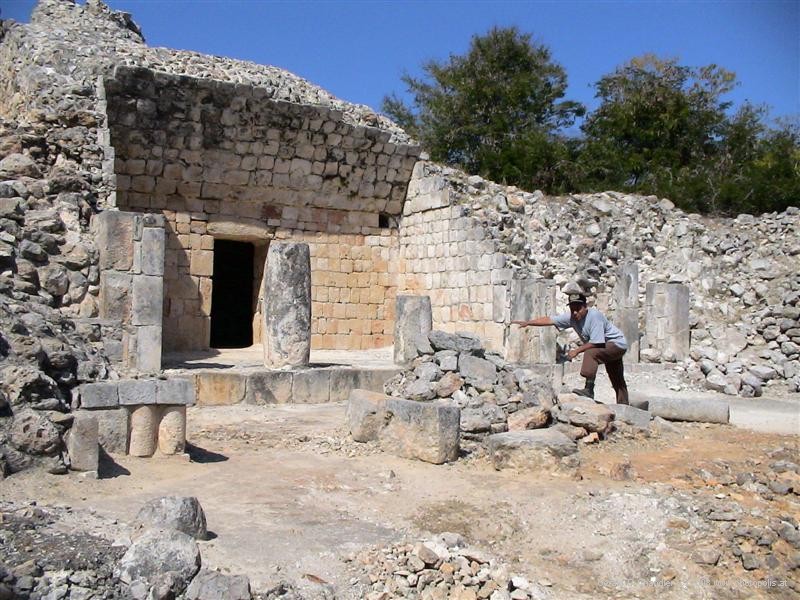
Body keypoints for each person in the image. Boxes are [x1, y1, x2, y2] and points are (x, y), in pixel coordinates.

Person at [512, 292, 629, 404]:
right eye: (572, 309)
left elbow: (596, 342)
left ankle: (589, 389)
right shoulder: (571, 317)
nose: (575, 312)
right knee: (616, 377)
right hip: (606, 347)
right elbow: (550, 320)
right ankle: (624, 405)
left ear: (585, 307)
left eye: (578, 309)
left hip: (616, 344)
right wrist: (529, 322)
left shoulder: (594, 316)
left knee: (591, 352)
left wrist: (576, 351)